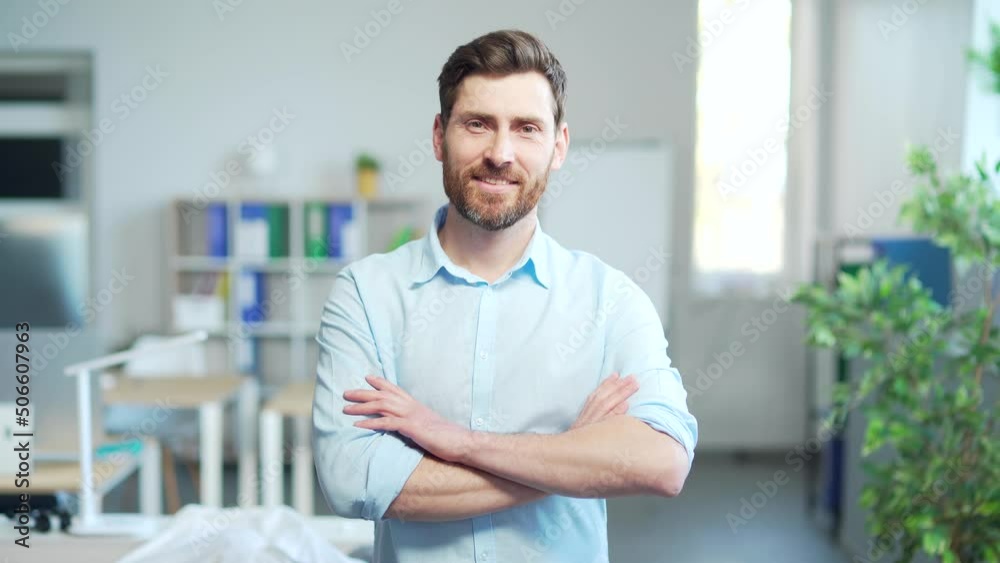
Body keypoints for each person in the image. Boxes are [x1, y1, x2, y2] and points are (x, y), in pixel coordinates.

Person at [313, 29, 698, 563]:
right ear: (438, 135)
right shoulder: (366, 294)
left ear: (558, 146)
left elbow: (662, 461)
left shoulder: (611, 300)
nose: (501, 152)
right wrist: (566, 459)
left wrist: (454, 441)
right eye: (478, 124)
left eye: (526, 128)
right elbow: (352, 479)